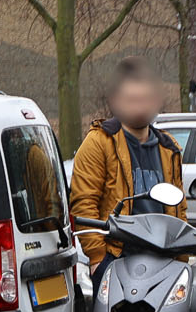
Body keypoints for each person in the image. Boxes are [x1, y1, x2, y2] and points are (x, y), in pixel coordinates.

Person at [69, 57, 185, 268]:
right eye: (132, 100)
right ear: (117, 102)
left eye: (145, 99)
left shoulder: (169, 148)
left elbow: (179, 208)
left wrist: (181, 257)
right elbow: (84, 204)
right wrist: (97, 258)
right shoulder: (99, 142)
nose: (139, 107)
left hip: (164, 259)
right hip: (117, 257)